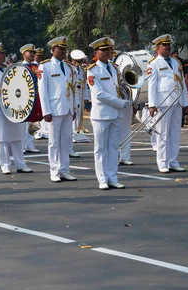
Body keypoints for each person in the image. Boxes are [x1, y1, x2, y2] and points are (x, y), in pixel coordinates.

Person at [0, 43, 33, 175]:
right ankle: (5, 165)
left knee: (17, 135)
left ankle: (20, 164)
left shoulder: (8, 69)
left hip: (14, 105)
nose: (4, 56)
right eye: (2, 54)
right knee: (2, 137)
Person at [86, 37, 131, 189]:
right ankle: (102, 179)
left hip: (116, 114)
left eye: (108, 50)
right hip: (101, 114)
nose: (107, 53)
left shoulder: (114, 68)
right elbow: (99, 94)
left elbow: (119, 88)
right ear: (96, 53)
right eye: (103, 50)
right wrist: (121, 103)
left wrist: (127, 96)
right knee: (100, 148)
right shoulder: (92, 70)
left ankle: (112, 177)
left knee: (113, 147)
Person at [147, 34, 188, 173]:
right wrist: (152, 104)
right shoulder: (154, 64)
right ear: (158, 48)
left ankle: (173, 161)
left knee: (175, 133)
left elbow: (182, 82)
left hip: (176, 102)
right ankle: (162, 162)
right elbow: (152, 86)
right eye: (164, 46)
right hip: (163, 103)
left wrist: (185, 102)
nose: (167, 48)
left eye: (169, 45)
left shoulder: (176, 62)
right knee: (163, 134)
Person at [37, 37, 77, 182]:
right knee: (54, 142)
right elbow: (43, 90)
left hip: (67, 108)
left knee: (65, 140)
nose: (62, 53)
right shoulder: (45, 67)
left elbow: (72, 88)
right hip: (54, 108)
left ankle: (64, 169)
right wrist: (46, 111)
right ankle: (54, 170)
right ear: (53, 51)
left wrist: (74, 107)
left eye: (64, 51)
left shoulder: (68, 67)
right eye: (60, 51)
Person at [19, 43, 41, 154]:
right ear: (24, 53)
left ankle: (30, 144)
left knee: (34, 122)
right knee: (23, 123)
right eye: (30, 52)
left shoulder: (37, 66)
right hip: (24, 97)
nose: (32, 54)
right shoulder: (20, 67)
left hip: (36, 97)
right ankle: (22, 145)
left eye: (33, 53)